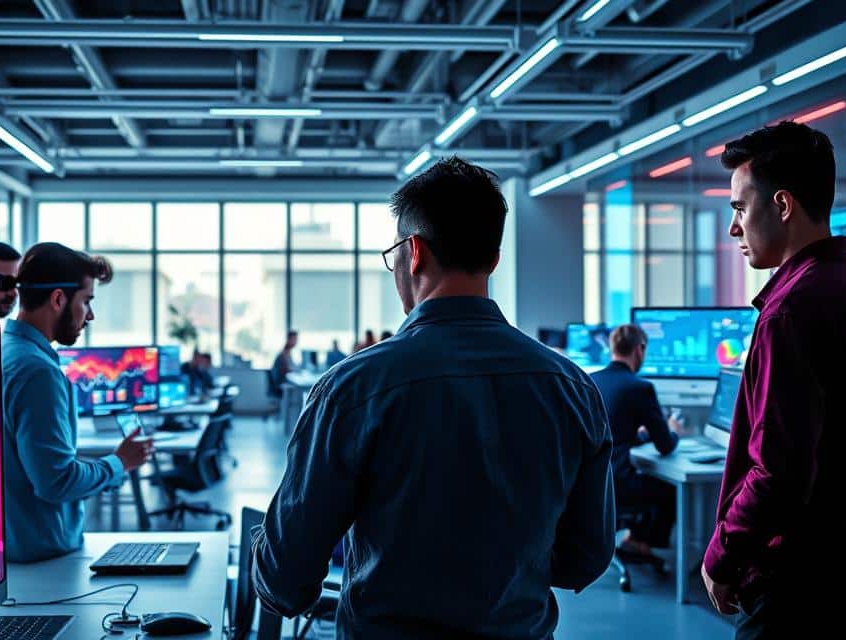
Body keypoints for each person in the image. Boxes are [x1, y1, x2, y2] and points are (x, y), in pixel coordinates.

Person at [252, 157, 614, 638]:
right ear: (494, 258)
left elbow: (284, 582)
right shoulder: (572, 387)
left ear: (414, 252)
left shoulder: (352, 390)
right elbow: (584, 558)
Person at [701, 122, 846, 638]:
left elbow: (779, 470)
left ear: (781, 205)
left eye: (739, 208)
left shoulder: (791, 311)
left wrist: (722, 555)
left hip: (802, 589)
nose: (734, 228)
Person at [2, 242, 152, 562]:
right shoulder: (38, 372)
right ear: (58, 299)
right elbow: (56, 482)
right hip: (43, 559)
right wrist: (119, 462)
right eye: (87, 301)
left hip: (13, 552)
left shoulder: (3, 352)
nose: (91, 315)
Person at [590, 324, 685, 559]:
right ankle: (642, 540)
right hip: (621, 484)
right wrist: (674, 431)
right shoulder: (640, 388)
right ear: (639, 350)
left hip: (592, 482)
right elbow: (665, 446)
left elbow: (612, 432)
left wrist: (640, 436)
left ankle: (633, 537)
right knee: (672, 488)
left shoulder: (591, 381)